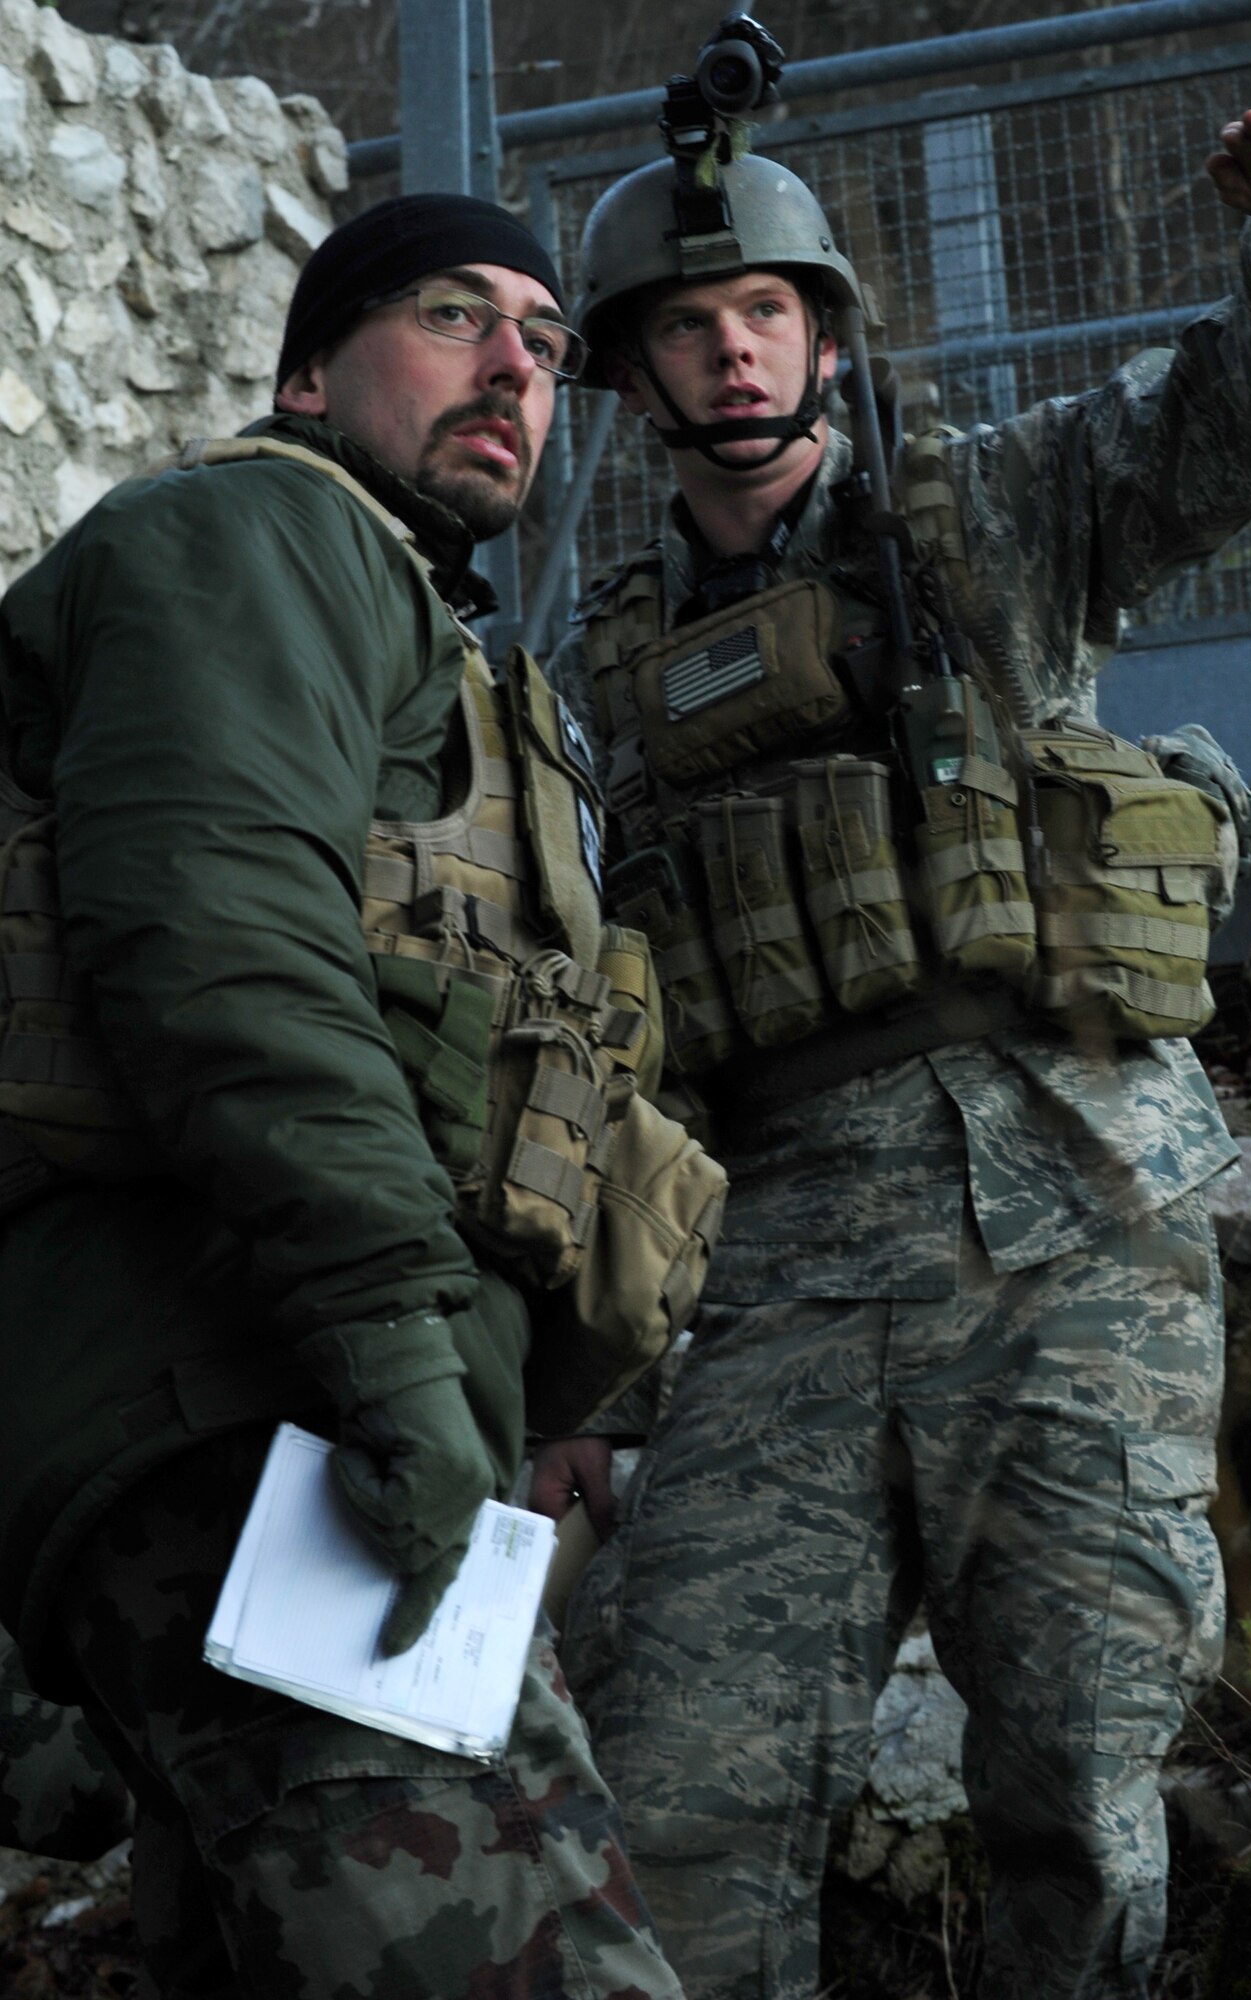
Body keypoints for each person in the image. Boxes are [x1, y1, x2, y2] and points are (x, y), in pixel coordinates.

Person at [532, 89, 1251, 2000]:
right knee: (678, 1781)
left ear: (826, 333)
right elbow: (608, 1041)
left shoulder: (998, 508)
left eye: (764, 309)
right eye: (685, 324)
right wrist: (588, 1393)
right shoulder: (586, 678)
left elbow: (1232, 422)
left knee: (1079, 1798)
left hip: (1081, 1230)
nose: (730, 348)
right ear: (627, 373)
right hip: (780, 1288)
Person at [0, 193, 691, 2000]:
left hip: (289, 1408)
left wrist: (529, 1388)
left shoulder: (428, 634)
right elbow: (218, 948)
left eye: (543, 347)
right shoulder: (255, 535)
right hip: (241, 1399)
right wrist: (398, 1347)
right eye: (455, 319)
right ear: (309, 374)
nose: (513, 371)